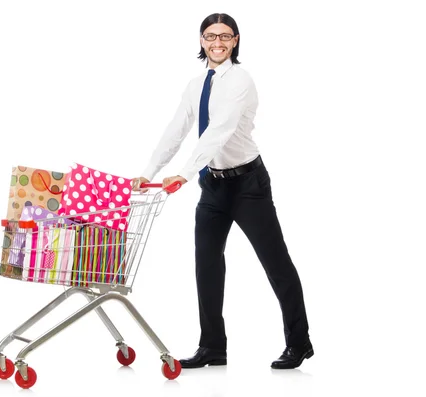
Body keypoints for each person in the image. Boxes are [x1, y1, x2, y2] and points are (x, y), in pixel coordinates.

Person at [132, 13, 313, 370]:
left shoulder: (241, 80)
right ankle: (213, 347)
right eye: (211, 36)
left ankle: (299, 342)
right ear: (201, 40)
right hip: (213, 184)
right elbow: (177, 129)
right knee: (207, 266)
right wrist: (149, 171)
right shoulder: (196, 85)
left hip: (248, 185)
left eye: (225, 37)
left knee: (275, 263)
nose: (217, 42)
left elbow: (220, 131)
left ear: (235, 41)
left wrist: (183, 174)